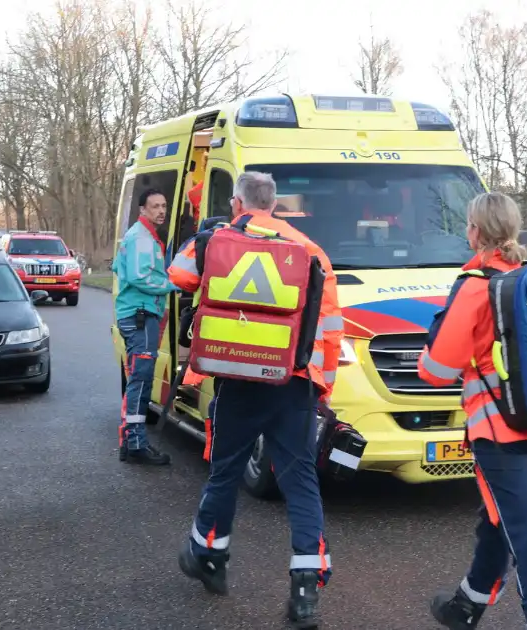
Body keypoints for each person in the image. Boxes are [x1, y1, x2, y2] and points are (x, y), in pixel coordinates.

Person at [167, 172, 342, 628]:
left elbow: (178, 276)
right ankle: (306, 589)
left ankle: (208, 553)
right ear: (275, 204)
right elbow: (329, 327)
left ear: (237, 202)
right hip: (294, 383)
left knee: (225, 471)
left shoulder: (218, 238)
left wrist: (206, 241)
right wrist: (323, 388)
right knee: (300, 481)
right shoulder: (310, 250)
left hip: (239, 378)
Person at [418, 192, 527, 630]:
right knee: (502, 519)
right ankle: (466, 606)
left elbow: (436, 370)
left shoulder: (475, 286)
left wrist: (437, 333)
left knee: (525, 535)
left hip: (499, 434)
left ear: (474, 232)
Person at [111, 188, 176, 466]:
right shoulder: (141, 237)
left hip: (135, 313)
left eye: (163, 206)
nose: (161, 211)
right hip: (141, 314)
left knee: (137, 376)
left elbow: (116, 266)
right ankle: (136, 443)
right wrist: (172, 285)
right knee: (141, 378)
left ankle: (129, 441)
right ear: (142, 209)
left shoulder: (141, 235)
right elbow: (139, 276)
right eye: (154, 206)